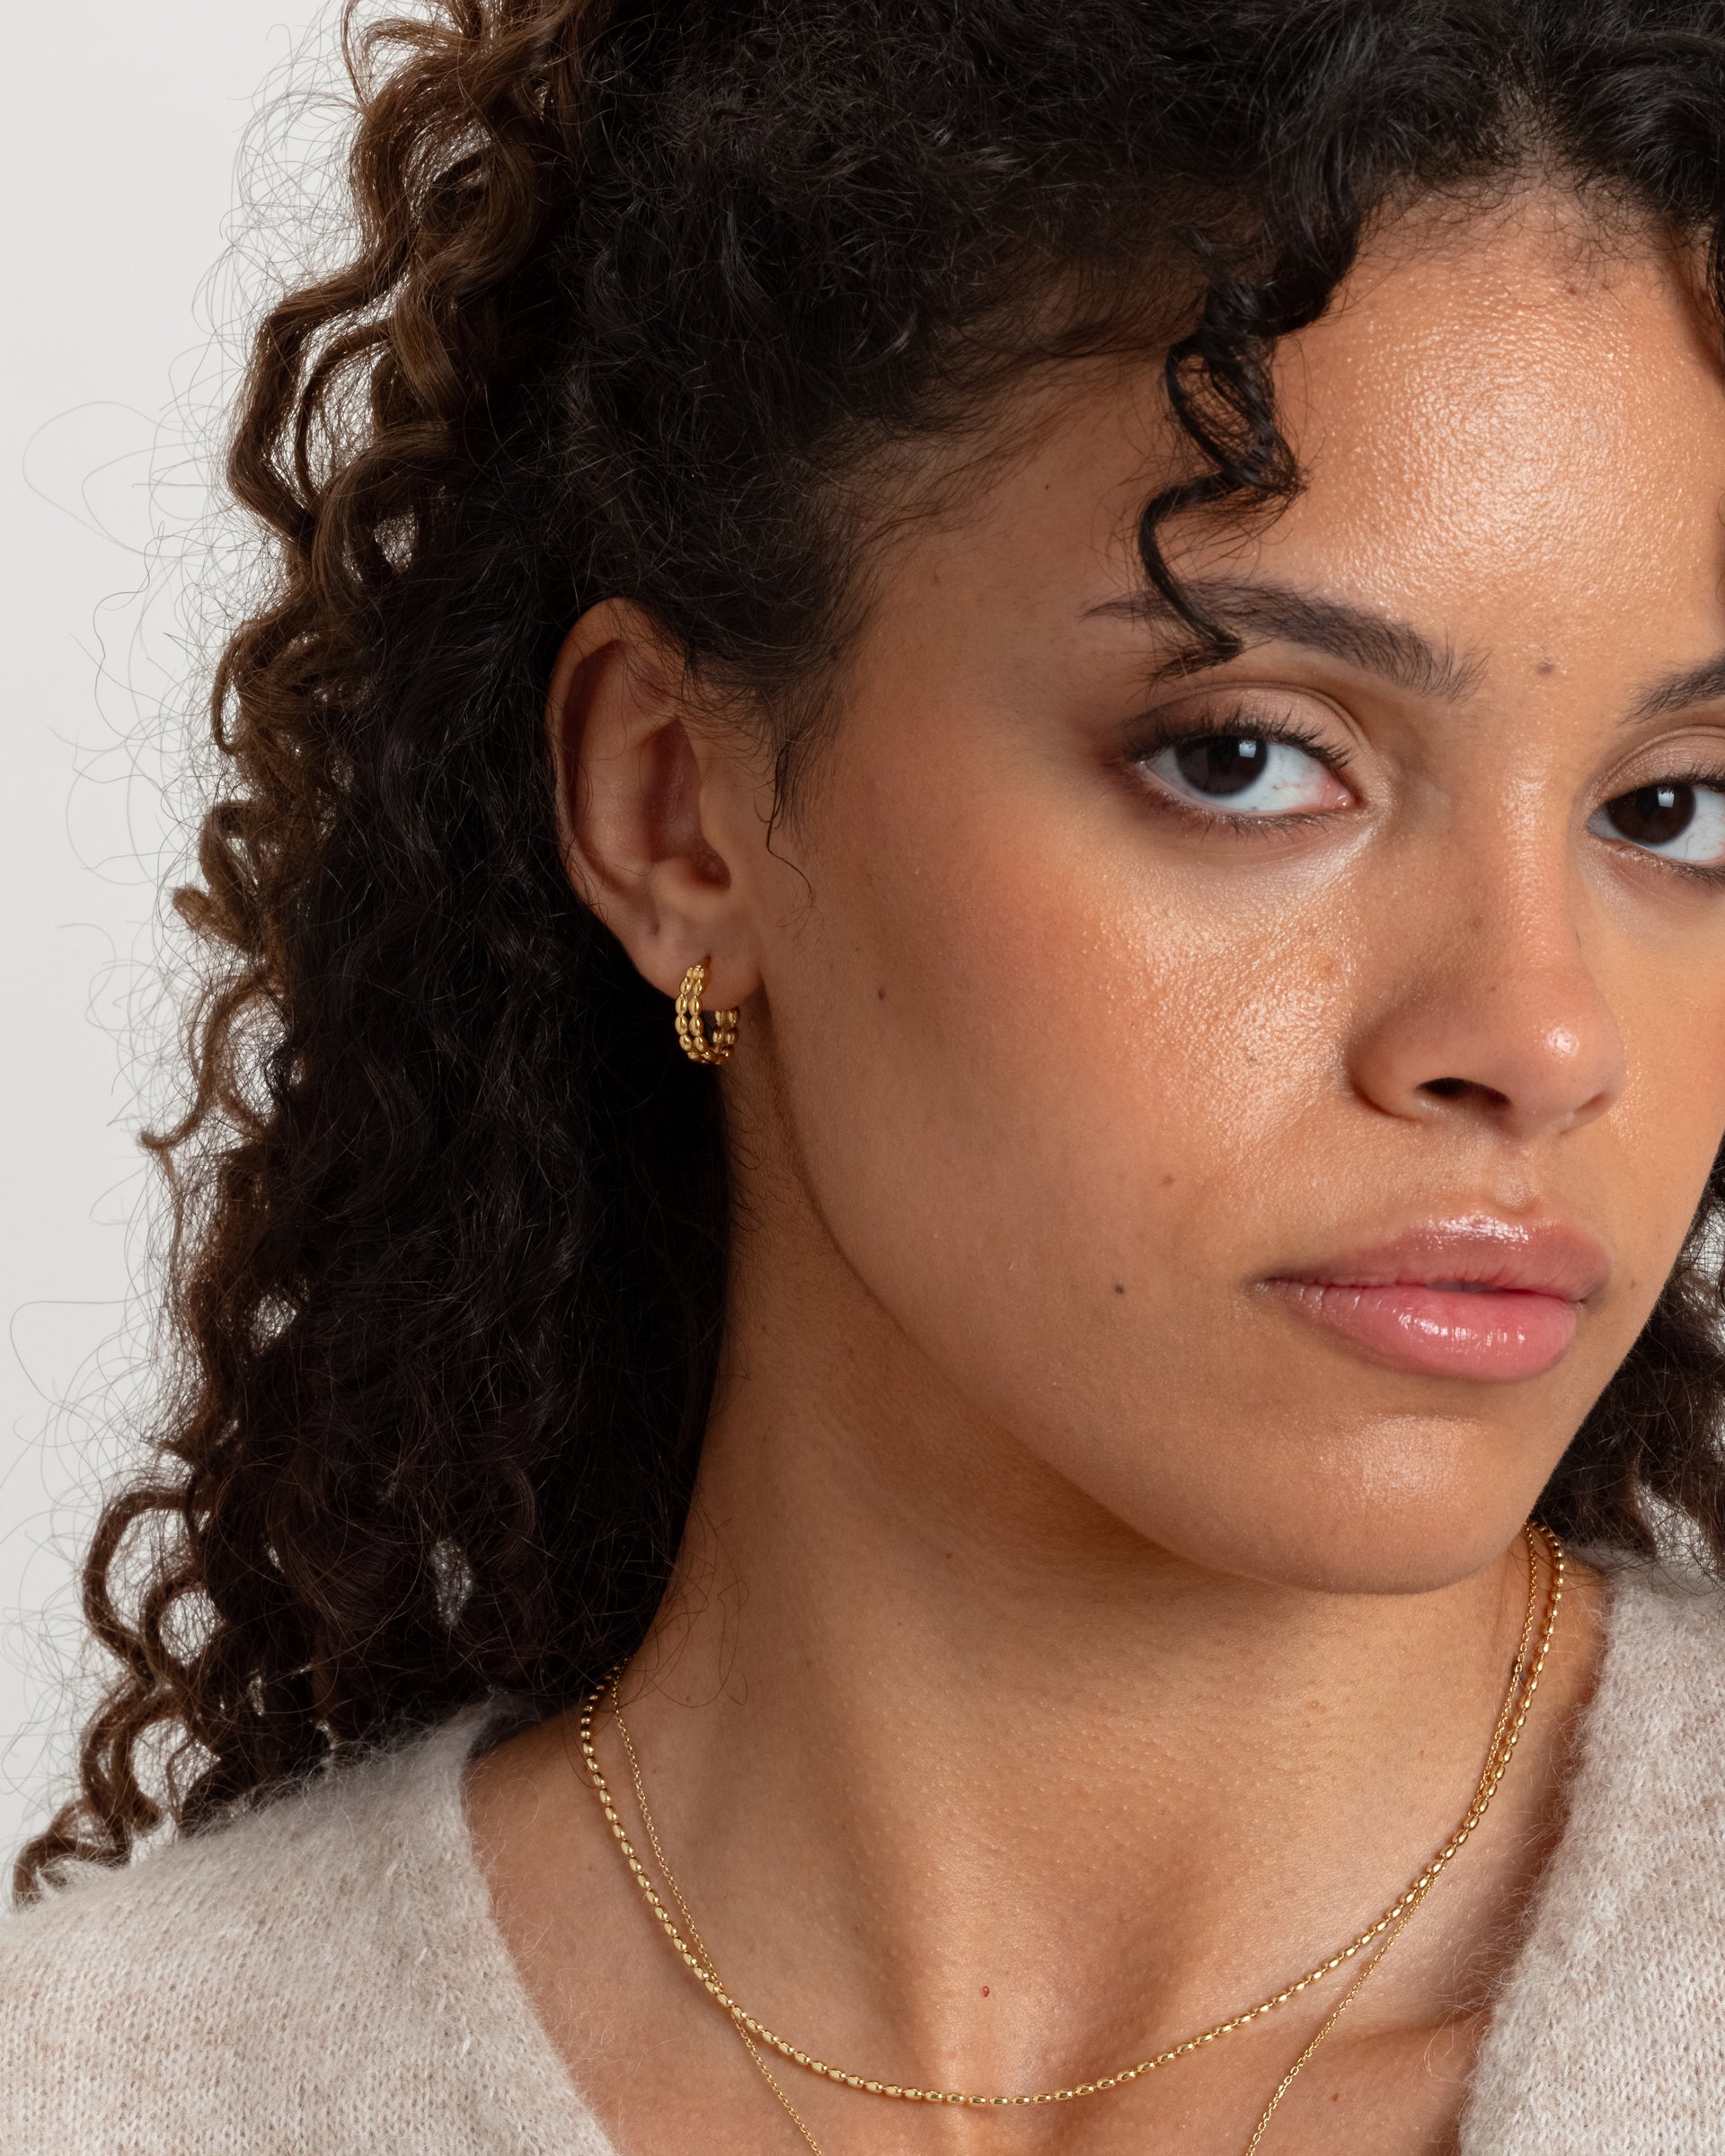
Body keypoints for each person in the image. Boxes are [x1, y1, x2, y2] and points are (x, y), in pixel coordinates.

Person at [7, 0, 1725, 2149]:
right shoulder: (100, 2092)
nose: (1543, 1038)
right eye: (1248, 757)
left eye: (1676, 811)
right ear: (677, 814)